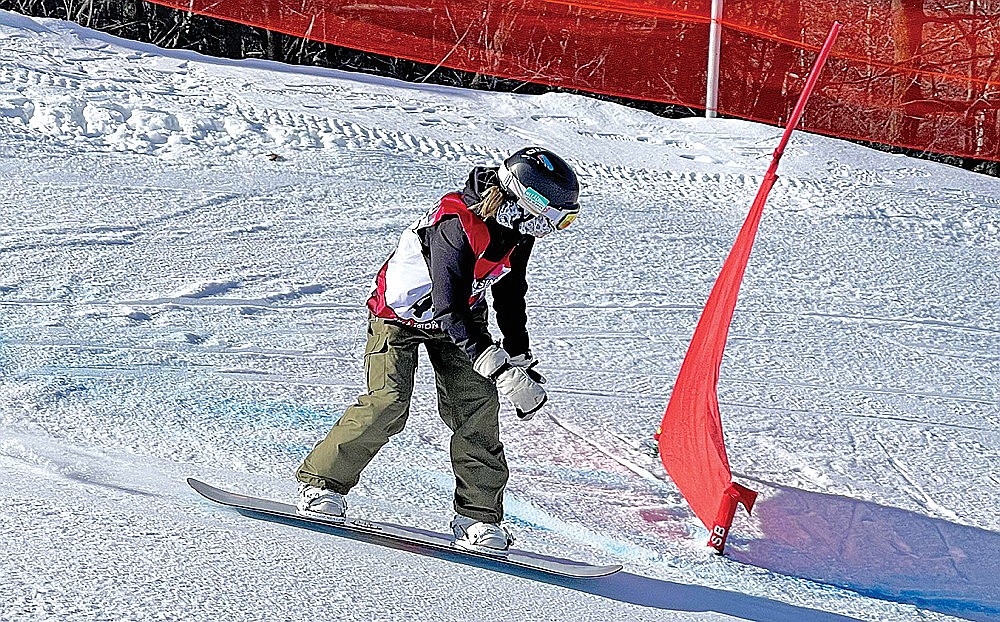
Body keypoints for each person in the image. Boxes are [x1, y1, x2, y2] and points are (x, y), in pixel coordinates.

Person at [294, 147, 581, 552]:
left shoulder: (519, 231)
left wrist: (519, 356)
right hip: (399, 320)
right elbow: (448, 307)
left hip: (460, 325)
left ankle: (478, 517)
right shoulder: (456, 225)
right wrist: (501, 370)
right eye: (551, 215)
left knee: (477, 408)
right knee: (388, 402)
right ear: (523, 198)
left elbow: (511, 294)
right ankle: (322, 484)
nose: (548, 227)